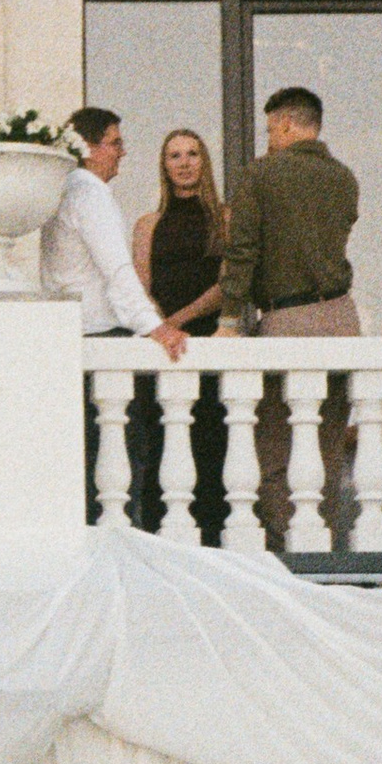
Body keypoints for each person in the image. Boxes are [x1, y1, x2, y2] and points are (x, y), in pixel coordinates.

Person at [216, 86, 361, 547]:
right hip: (342, 319)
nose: (267, 138)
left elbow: (242, 254)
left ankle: (294, 552)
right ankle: (326, 544)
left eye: (269, 129)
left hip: (288, 319)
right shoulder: (345, 179)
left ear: (284, 124)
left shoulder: (260, 175)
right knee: (328, 450)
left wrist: (228, 320)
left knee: (274, 452)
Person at [41, 108, 186, 524]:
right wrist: (155, 327)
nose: (123, 152)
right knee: (120, 460)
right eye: (116, 142)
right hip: (104, 339)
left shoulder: (63, 192)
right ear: (90, 148)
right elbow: (117, 270)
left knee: (89, 462)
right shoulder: (89, 194)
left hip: (76, 340)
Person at [131, 128, 226, 532]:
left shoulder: (225, 217)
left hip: (207, 341)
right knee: (160, 442)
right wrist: (161, 325)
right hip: (162, 347)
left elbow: (227, 284)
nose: (184, 163)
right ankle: (159, 536)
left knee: (211, 443)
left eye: (192, 154)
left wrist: (178, 322)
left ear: (204, 161)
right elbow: (140, 285)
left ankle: (211, 539)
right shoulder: (148, 224)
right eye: (174, 156)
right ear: (164, 165)